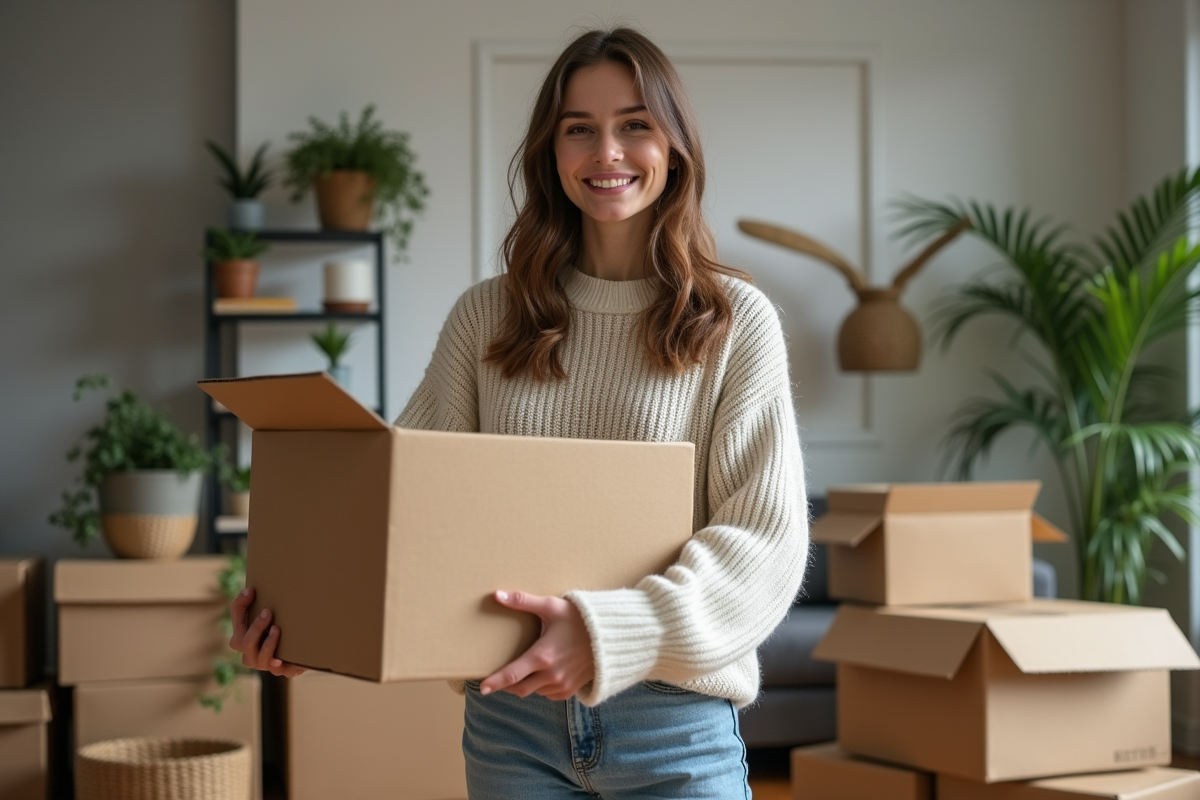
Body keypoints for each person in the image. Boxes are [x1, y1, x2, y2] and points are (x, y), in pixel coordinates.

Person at [230, 26, 808, 799]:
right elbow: (398, 502)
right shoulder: (486, 319)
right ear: (550, 153)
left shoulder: (735, 320)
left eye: (634, 124)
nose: (607, 153)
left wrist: (606, 635)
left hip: (672, 723)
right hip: (511, 729)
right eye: (580, 130)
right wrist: (311, 619)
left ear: (675, 147)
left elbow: (763, 543)